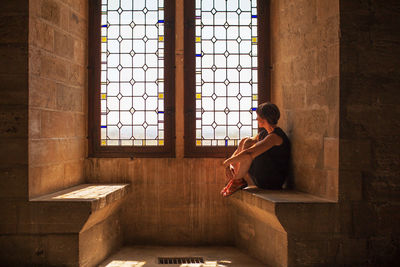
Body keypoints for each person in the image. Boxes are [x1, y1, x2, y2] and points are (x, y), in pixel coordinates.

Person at [221, 102, 290, 197]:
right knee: (246, 141)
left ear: (264, 118)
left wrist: (227, 162)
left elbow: (249, 153)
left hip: (272, 181)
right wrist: (230, 165)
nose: (256, 119)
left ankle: (237, 180)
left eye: (258, 116)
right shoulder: (264, 133)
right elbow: (246, 144)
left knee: (248, 155)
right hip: (263, 176)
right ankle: (236, 180)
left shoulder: (274, 137)